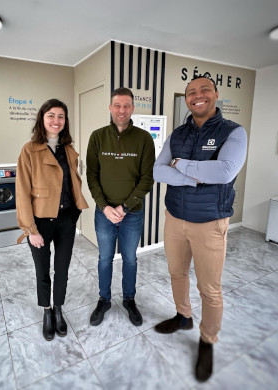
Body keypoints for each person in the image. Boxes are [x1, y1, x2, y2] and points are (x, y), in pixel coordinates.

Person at [153, 75, 247, 382]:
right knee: (177, 273)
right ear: (187, 98)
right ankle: (183, 317)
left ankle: (208, 340)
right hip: (175, 217)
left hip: (210, 222)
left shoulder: (233, 132)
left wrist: (180, 165)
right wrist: (194, 175)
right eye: (192, 92)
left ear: (216, 94)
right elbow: (157, 170)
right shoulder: (178, 134)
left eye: (204, 89)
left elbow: (225, 171)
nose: (198, 95)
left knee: (210, 288)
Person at [16, 98, 88, 341]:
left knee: (63, 269)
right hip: (40, 223)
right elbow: (22, 192)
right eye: (51, 116)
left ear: (65, 121)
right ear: (42, 119)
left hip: (66, 219)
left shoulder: (68, 149)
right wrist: (30, 229)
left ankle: (59, 308)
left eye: (61, 116)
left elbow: (72, 183)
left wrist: (76, 212)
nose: (56, 121)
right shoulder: (30, 149)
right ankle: (46, 310)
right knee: (42, 270)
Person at [86, 87, 155, 327]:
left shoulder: (144, 138)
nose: (122, 110)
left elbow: (147, 178)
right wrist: (104, 207)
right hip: (104, 213)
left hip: (132, 213)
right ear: (110, 107)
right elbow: (92, 176)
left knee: (130, 259)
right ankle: (104, 299)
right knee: (105, 259)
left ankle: (129, 299)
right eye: (117, 105)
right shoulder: (97, 137)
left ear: (133, 108)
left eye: (126, 106)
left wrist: (125, 208)